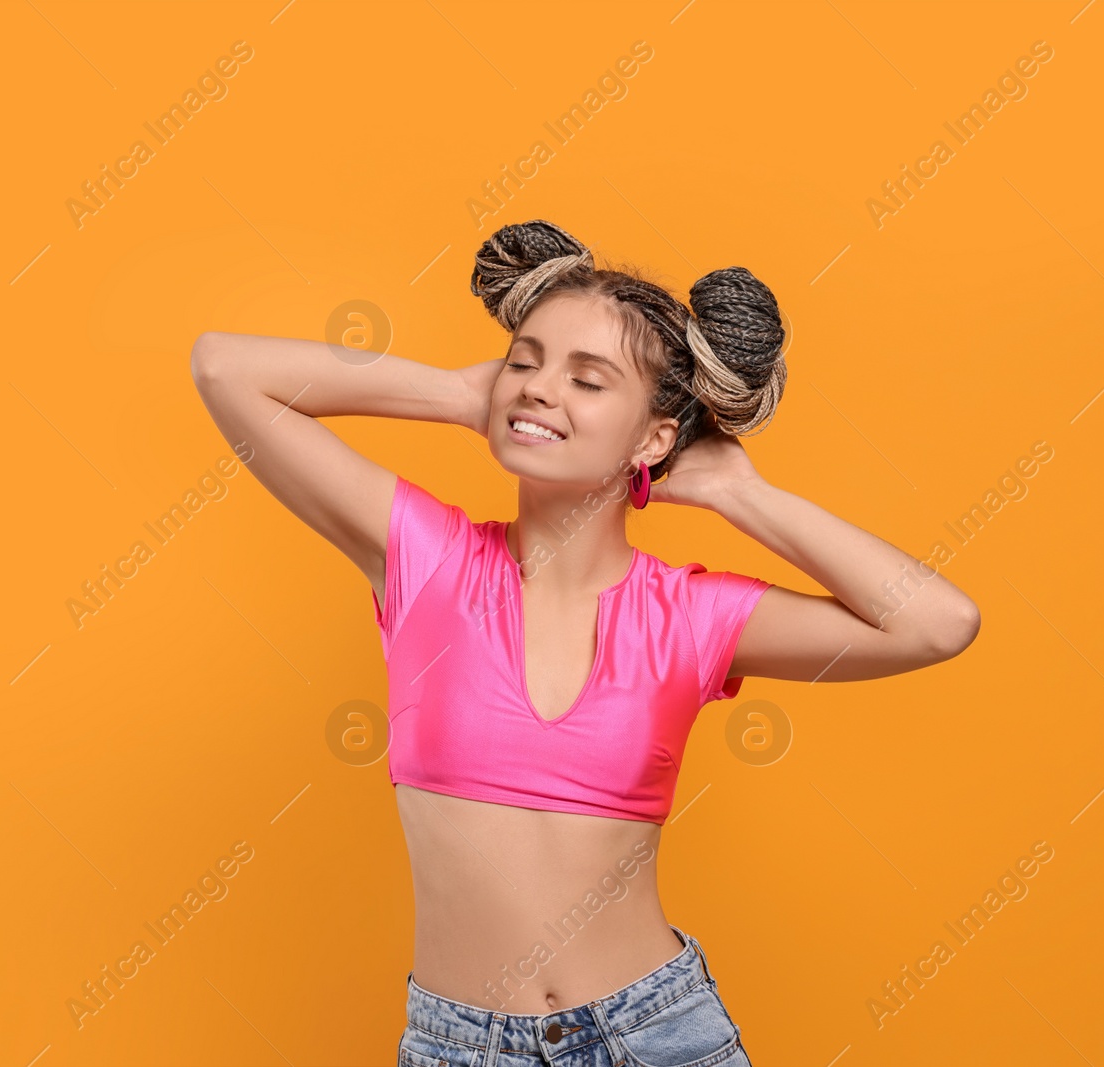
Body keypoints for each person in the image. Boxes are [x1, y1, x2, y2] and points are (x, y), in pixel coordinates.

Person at [190, 219, 980, 1066]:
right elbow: (222, 367)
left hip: (657, 1035)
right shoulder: (425, 560)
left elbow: (936, 621)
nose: (538, 388)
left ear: (653, 440)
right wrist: (461, 395)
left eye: (588, 379)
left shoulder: (690, 616)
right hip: (461, 1048)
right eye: (524, 362)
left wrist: (740, 493)